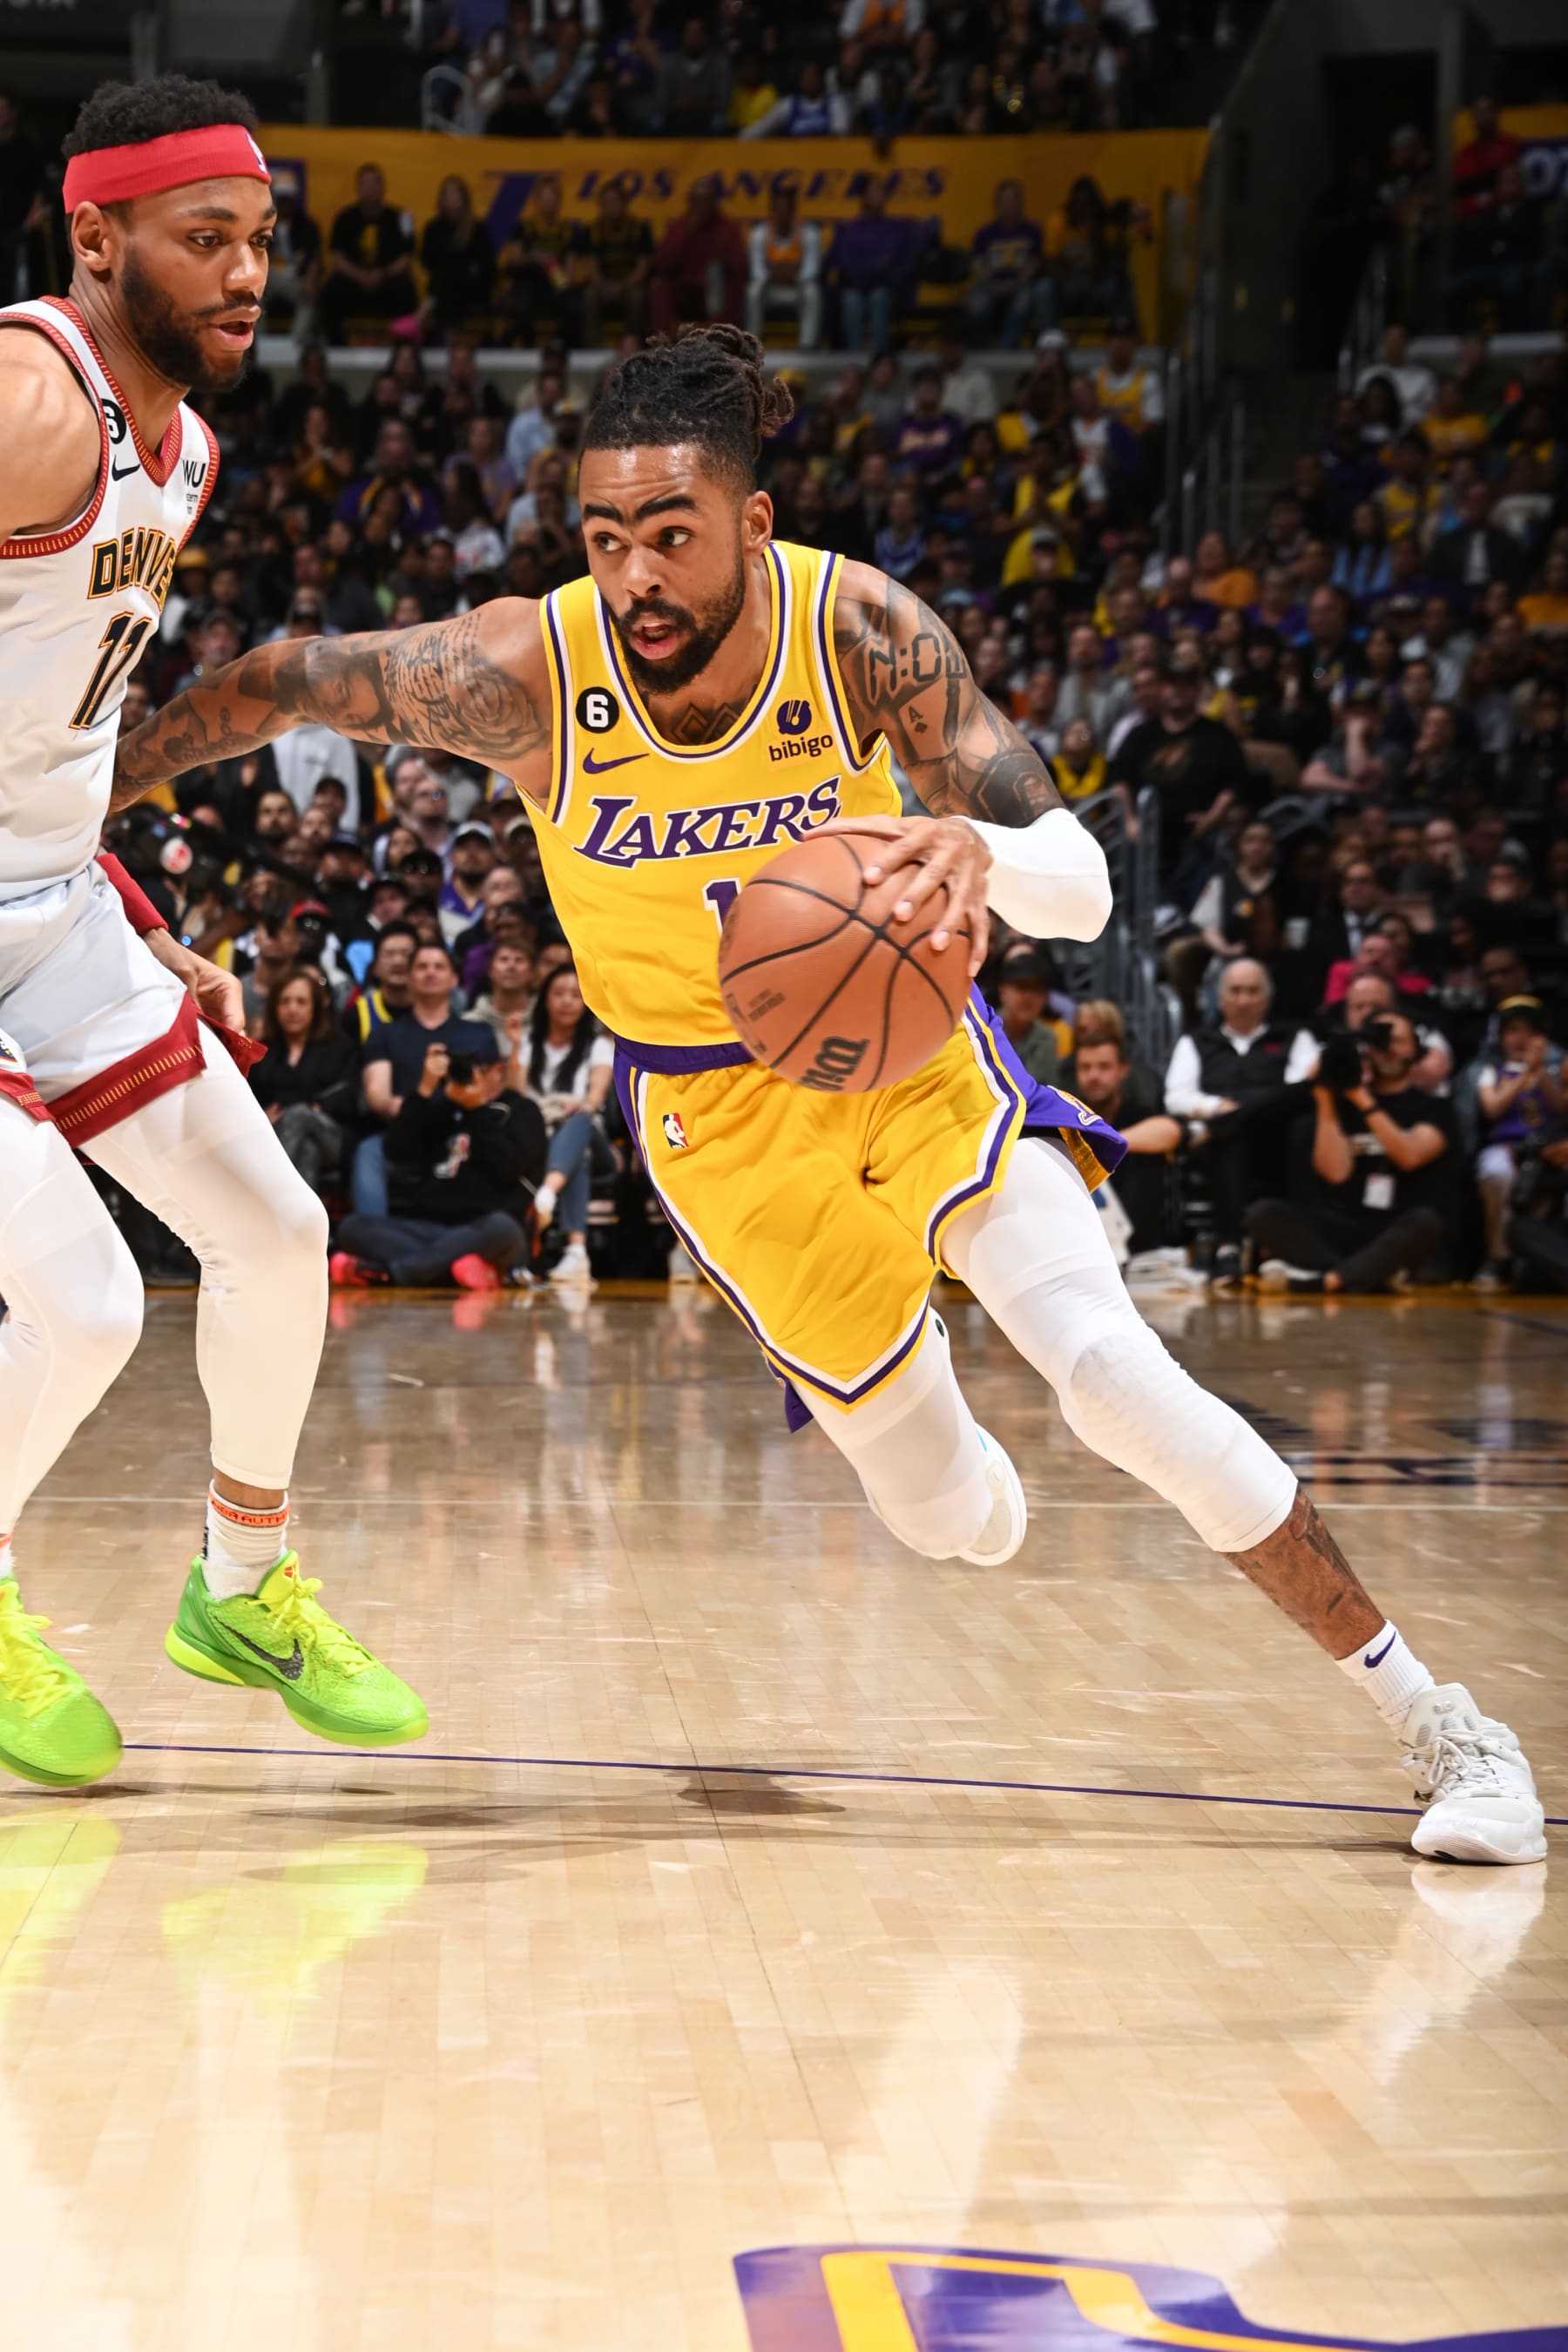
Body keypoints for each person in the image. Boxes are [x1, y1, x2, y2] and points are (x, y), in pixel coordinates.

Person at [118, 321, 1545, 1865]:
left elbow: (1076, 879)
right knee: (950, 1515)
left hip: (913, 1064)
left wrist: (980, 856)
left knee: (1110, 1375)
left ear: (752, 521)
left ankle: (1444, 1725)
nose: (637, 578)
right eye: (605, 541)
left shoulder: (858, 628)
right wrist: (69, 794)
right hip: (718, 1126)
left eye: (671, 536)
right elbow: (284, 680)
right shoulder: (533, 673)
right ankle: (933, 1401)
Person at [0, 74, 424, 1788]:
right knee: (91, 1304)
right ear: (96, 238)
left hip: (48, 898)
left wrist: (126, 901)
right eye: (208, 239)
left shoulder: (185, 446)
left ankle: (240, 1584)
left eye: (262, 241)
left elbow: (48, 721)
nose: (251, 273)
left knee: (274, 1229)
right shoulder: (32, 400)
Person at [1248, 1011, 1456, 1298]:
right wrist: (1324, 1097)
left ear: (1416, 1051)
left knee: (1426, 1222)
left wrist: (1363, 1099)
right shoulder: (1342, 1104)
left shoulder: (1435, 1108)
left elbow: (1409, 1156)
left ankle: (1327, 1280)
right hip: (1341, 1228)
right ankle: (1370, 1274)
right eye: (1380, 1041)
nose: (1387, 1048)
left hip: (1394, 1226)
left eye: (1397, 1041)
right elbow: (1335, 1172)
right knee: (1263, 1213)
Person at [332, 1031, 546, 1293]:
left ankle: (395, 1273)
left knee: (504, 1229)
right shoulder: (442, 1109)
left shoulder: (522, 1111)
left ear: (498, 1071)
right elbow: (396, 1150)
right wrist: (423, 1091)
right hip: (429, 1227)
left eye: (476, 1069)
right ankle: (461, 1269)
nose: (464, 1076)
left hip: (485, 1227)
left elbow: (508, 1168)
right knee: (351, 1228)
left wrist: (478, 1109)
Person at [524, 963, 616, 1288]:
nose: (567, 1001)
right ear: (544, 999)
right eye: (559, 993)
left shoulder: (598, 1045)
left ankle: (546, 1194)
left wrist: (577, 1106)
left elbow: (595, 1098)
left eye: (576, 995)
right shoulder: (526, 1042)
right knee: (580, 1159)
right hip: (544, 1139)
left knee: (580, 1122)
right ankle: (576, 1253)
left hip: (591, 1134)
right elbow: (517, 1096)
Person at [1473, 994, 1565, 1287]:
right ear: (1500, 1037)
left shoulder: (1555, 1071)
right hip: (1507, 1147)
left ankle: (1536, 1260)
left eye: (1529, 1031)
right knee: (1498, 1174)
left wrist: (1539, 1072)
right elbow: (1492, 1108)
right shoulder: (1491, 1071)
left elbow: (1561, 1108)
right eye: (1513, 1030)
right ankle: (1498, 1257)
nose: (1520, 1038)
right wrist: (1525, 1072)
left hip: (1549, 1149)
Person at [249, 970, 361, 1196]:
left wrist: (318, 1107)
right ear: (274, 1008)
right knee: (307, 1150)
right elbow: (250, 1096)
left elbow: (349, 1093)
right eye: (284, 1002)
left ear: (316, 1007)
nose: (292, 1009)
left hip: (332, 1134)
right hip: (277, 1134)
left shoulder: (341, 1047)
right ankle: (300, 1229)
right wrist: (261, 1116)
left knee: (299, 1115)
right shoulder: (263, 1051)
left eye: (301, 1002)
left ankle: (267, 1196)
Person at [318, 162, 418, 348]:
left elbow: (406, 257)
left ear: (383, 186)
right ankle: (338, 347)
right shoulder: (345, 218)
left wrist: (383, 273)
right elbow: (338, 257)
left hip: (388, 279)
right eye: (366, 183)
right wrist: (360, 275)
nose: (371, 188)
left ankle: (403, 349)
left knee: (406, 289)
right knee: (330, 292)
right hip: (354, 280)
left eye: (375, 183)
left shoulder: (399, 217)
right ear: (358, 187)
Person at [745, 187, 823, 354]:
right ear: (772, 210)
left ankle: (807, 345)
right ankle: (753, 343)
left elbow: (812, 269)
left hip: (796, 291)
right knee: (753, 291)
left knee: (812, 292)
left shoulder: (809, 234)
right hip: (771, 291)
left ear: (793, 210)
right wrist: (780, 272)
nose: (782, 213)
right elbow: (757, 271)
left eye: (786, 209)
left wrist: (788, 274)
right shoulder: (759, 234)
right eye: (778, 209)